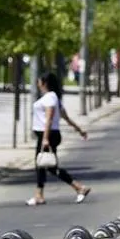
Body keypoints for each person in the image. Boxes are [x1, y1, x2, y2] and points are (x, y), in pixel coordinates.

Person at [28, 71, 91, 206]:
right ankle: (39, 194)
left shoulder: (50, 98)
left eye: (39, 81)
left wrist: (45, 138)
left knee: (47, 165)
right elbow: (66, 117)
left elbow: (49, 119)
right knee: (43, 165)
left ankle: (79, 187)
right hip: (51, 134)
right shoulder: (54, 97)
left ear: (44, 83)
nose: (37, 83)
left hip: (48, 134)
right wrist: (80, 130)